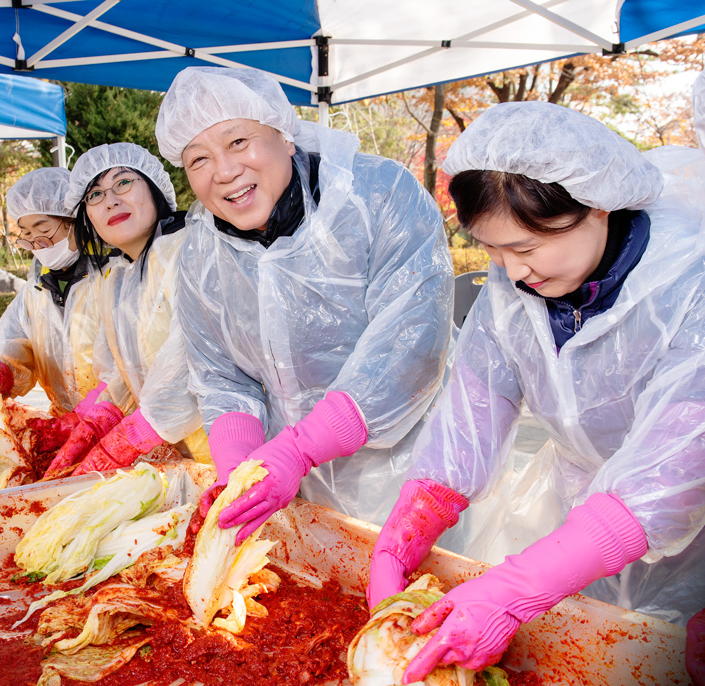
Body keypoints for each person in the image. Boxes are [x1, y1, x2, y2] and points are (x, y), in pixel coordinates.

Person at [366, 101, 705, 683]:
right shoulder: (514, 281)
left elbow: (668, 478)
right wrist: (414, 517)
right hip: (582, 516)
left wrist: (517, 589)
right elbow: (473, 407)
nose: (511, 271)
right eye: (492, 249)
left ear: (597, 205)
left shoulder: (689, 284)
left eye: (525, 249)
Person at [154, 67, 454, 543]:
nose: (225, 171)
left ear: (286, 136)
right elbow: (220, 375)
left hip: (404, 477)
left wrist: (300, 450)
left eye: (238, 142)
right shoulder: (200, 251)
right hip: (285, 489)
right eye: (198, 160)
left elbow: (409, 348)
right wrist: (239, 471)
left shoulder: (378, 198)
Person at [44, 142, 209, 477]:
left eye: (123, 183)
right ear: (87, 215)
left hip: (236, 452)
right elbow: (122, 371)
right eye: (95, 195)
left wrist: (128, 440)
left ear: (154, 188)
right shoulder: (118, 277)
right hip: (184, 463)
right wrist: (95, 417)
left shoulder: (191, 249)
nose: (111, 201)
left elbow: (194, 358)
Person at [0, 167, 123, 455]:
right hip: (63, 433)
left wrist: (92, 412)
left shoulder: (116, 276)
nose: (38, 245)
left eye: (45, 231)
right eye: (27, 236)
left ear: (76, 221)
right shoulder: (36, 292)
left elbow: (129, 367)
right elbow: (13, 345)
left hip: (121, 430)